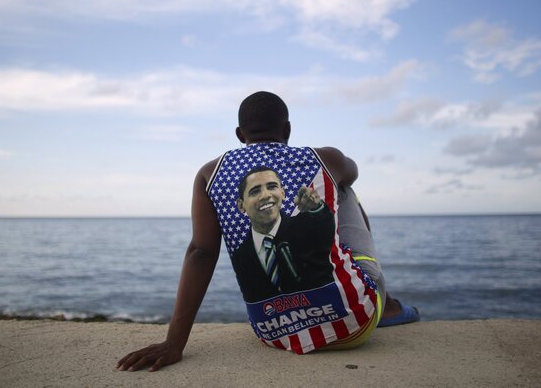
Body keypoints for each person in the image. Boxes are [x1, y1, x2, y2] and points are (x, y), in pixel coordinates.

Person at [117, 91, 418, 372]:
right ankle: (387, 305)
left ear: (240, 135)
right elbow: (352, 171)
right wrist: (330, 173)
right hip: (356, 324)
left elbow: (201, 251)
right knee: (343, 187)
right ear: (287, 130)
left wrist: (174, 343)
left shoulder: (210, 174)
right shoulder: (324, 158)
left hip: (274, 333)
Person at [232, 166, 335, 302]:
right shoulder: (240, 255)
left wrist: (317, 208)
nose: (266, 195)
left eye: (272, 187)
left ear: (283, 193)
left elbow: (323, 224)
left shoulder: (307, 226)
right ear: (241, 205)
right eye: (255, 191)